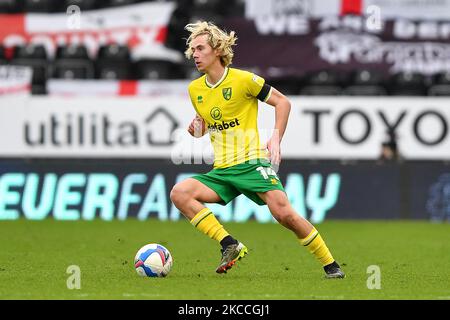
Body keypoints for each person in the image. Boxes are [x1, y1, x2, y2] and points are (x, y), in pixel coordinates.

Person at [170, 21, 345, 278]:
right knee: (180, 193)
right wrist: (197, 130)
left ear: (217, 50)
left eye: (200, 48)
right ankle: (229, 244)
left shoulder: (244, 80)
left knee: (284, 214)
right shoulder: (195, 89)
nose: (194, 54)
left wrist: (276, 137)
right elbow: (205, 125)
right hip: (223, 171)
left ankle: (331, 265)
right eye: (192, 49)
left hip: (251, 162)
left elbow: (282, 102)